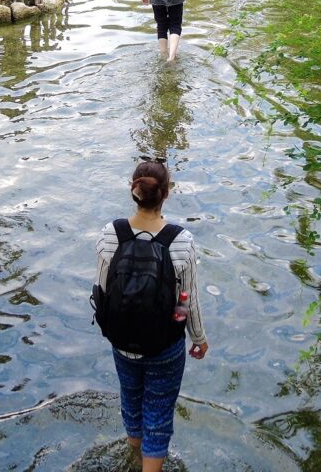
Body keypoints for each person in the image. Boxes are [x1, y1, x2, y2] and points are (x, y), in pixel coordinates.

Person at [94, 161, 208, 471]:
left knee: (131, 401)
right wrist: (197, 337)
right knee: (157, 416)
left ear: (133, 190)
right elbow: (187, 300)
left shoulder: (110, 234)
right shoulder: (181, 240)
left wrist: (115, 330)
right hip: (164, 347)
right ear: (166, 194)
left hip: (122, 344)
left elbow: (101, 291)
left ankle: (134, 458)